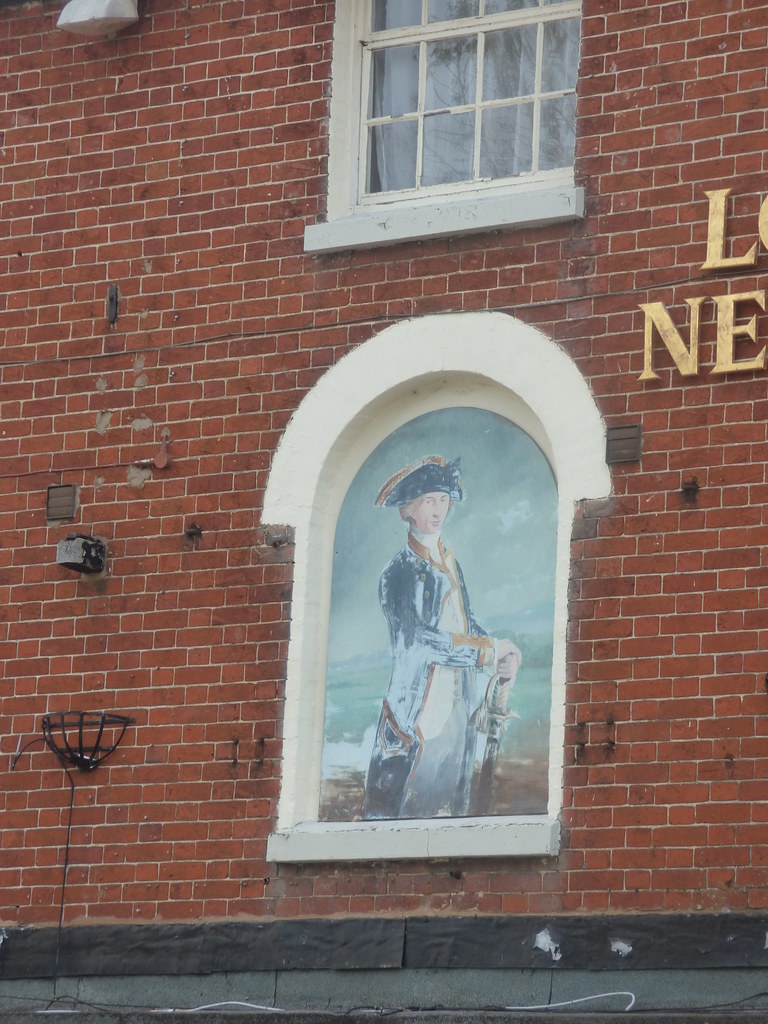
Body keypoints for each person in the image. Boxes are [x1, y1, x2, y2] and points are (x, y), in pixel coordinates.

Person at [363, 455, 520, 820]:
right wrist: (487, 652)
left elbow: (464, 626)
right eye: (429, 500)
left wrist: (498, 652)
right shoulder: (397, 574)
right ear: (408, 509)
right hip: (412, 725)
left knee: (452, 818)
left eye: (443, 500)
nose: (438, 509)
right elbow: (422, 641)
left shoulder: (451, 563)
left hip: (455, 718)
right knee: (394, 824)